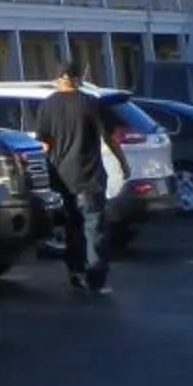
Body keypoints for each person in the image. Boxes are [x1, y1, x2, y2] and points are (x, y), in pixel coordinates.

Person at [34, 62, 122, 297]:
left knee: (72, 226)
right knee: (94, 226)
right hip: (89, 176)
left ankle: (75, 271)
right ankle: (96, 278)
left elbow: (44, 143)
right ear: (77, 78)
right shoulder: (90, 103)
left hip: (62, 177)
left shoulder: (47, 105)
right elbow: (109, 138)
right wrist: (123, 164)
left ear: (58, 78)